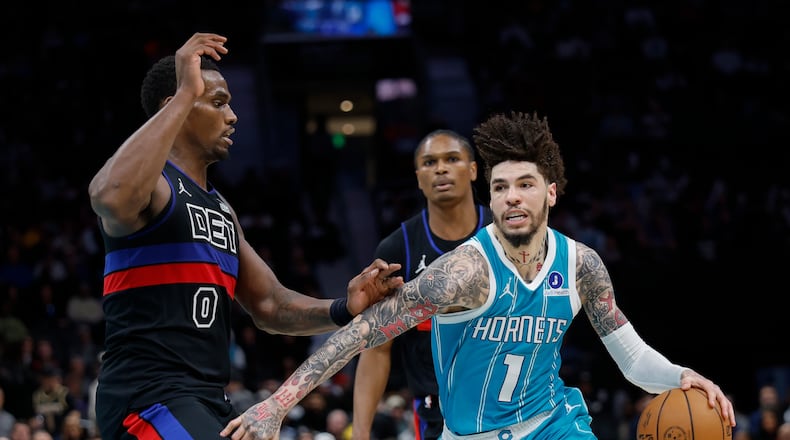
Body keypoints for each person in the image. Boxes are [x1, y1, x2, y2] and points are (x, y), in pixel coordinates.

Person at [221, 111, 736, 440]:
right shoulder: (463, 272)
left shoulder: (582, 265)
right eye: (501, 187)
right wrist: (276, 405)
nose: (512, 196)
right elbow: (362, 333)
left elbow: (631, 358)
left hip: (553, 425)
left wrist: (681, 376)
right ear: (489, 196)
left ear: (550, 193)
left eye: (525, 184)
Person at [87, 32, 402, 440]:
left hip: (207, 397)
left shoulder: (220, 207)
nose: (233, 116)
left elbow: (270, 304)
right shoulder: (155, 188)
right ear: (176, 106)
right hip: (148, 396)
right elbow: (107, 195)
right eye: (218, 102)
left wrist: (343, 308)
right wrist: (185, 94)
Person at [352, 129, 492, 440]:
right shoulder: (396, 249)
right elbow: (377, 349)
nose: (440, 169)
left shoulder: (505, 233)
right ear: (418, 178)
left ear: (473, 170)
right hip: (436, 412)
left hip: (512, 401)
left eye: (452, 159)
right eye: (429, 162)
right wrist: (359, 433)